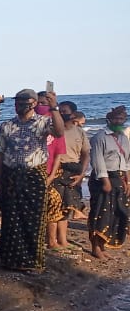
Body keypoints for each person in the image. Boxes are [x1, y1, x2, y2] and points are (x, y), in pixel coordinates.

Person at [0, 89, 65, 272]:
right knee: (10, 218)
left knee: (34, 218)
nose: (20, 106)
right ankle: (10, 260)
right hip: (11, 175)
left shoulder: (43, 122)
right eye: (17, 103)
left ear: (33, 104)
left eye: (24, 103)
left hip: (34, 175)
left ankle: (32, 262)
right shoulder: (7, 125)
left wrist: (54, 107)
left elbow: (59, 131)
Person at [46, 99, 90, 252]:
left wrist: (82, 174)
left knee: (67, 209)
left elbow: (85, 154)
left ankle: (63, 240)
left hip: (73, 171)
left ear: (73, 114)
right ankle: (51, 241)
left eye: (65, 111)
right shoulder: (53, 130)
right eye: (60, 111)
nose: (62, 113)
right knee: (54, 208)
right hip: (56, 170)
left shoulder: (80, 132)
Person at [87, 104, 129, 258]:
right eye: (116, 118)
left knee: (116, 213)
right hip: (103, 179)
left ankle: (103, 246)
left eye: (122, 119)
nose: (119, 121)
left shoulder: (124, 138)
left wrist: (127, 180)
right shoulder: (100, 137)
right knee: (100, 213)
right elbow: (97, 161)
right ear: (109, 119)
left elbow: (126, 162)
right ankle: (95, 247)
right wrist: (105, 182)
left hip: (119, 178)